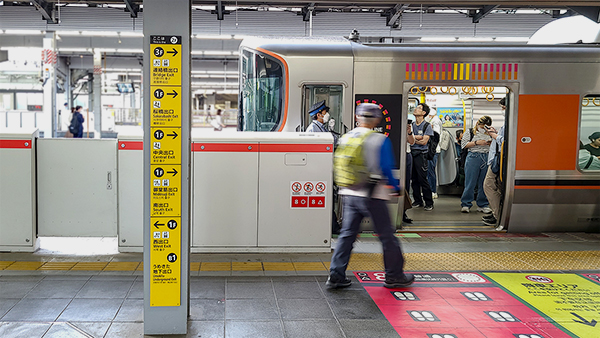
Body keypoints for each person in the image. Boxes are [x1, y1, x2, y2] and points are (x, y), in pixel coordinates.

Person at [327, 103, 414, 289]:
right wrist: (395, 187)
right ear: (376, 119)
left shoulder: (347, 137)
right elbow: (386, 168)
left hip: (349, 193)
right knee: (387, 235)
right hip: (372, 194)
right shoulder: (379, 139)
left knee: (347, 234)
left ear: (358, 117)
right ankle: (394, 275)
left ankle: (336, 274)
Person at [460, 115, 493, 213]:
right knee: (470, 182)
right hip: (473, 157)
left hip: (486, 157)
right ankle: (466, 203)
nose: (483, 129)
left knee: (484, 183)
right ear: (478, 124)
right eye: (482, 127)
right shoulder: (470, 132)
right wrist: (477, 142)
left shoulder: (491, 133)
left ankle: (483, 204)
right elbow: (464, 145)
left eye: (486, 127)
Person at [482, 98, 506, 226]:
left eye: (503, 108)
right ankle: (498, 212)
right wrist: (496, 132)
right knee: (498, 187)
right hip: (497, 160)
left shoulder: (512, 122)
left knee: (488, 185)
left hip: (499, 160)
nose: (502, 111)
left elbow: (506, 142)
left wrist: (494, 136)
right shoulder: (507, 123)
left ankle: (498, 215)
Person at [410, 103, 434, 211]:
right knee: (414, 179)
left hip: (421, 154)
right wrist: (417, 138)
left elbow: (424, 142)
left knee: (422, 179)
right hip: (412, 153)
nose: (416, 109)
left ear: (424, 113)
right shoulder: (411, 125)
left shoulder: (427, 126)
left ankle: (429, 202)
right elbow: (407, 139)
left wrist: (413, 139)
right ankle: (417, 200)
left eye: (419, 108)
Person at [425, 107, 442, 199]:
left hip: (433, 150)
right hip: (433, 150)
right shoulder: (435, 120)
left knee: (430, 171)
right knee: (429, 171)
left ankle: (433, 191)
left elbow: (436, 135)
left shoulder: (435, 121)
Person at [403, 122, 416, 224]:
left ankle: (403, 211)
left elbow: (412, 142)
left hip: (406, 155)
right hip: (397, 153)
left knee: (406, 184)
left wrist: (409, 132)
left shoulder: (409, 130)